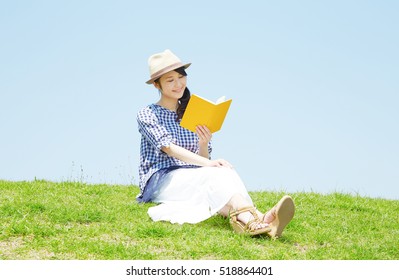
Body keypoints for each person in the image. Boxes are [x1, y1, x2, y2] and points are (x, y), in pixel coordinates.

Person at [136, 49, 295, 237]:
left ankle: (258, 223)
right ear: (157, 85)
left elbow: (202, 161)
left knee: (222, 176)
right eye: (170, 80)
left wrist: (203, 144)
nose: (178, 84)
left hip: (191, 176)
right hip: (162, 179)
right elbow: (168, 148)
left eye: (181, 77)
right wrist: (209, 163)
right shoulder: (147, 113)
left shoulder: (193, 112)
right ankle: (261, 217)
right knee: (214, 175)